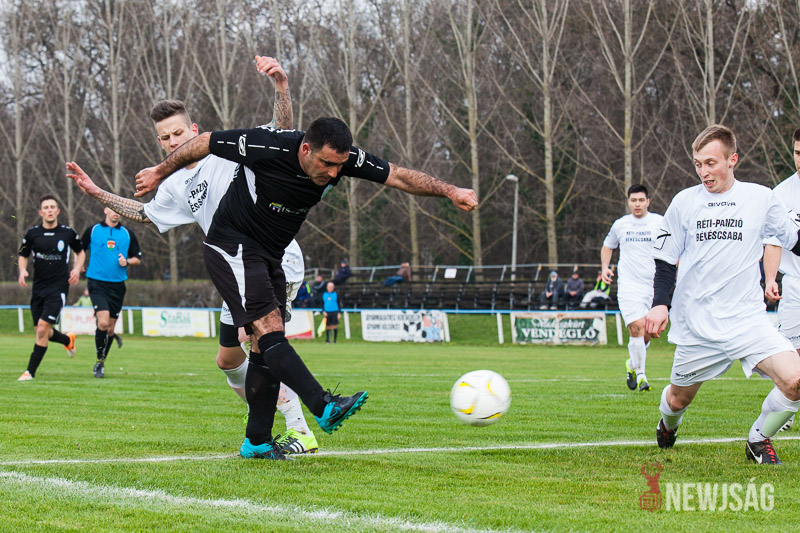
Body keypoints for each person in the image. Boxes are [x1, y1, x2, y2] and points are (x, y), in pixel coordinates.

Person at [133, 115, 478, 460]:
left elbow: (397, 175)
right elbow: (206, 140)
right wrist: (159, 172)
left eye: (339, 165)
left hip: (271, 255)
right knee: (268, 330)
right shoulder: (266, 146)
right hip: (232, 245)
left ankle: (256, 441)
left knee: (262, 347)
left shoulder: (341, 161)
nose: (333, 173)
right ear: (306, 149)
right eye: (326, 163)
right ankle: (322, 404)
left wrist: (451, 191)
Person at [67, 56, 318, 455]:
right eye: (164, 138)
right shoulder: (173, 184)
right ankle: (263, 416)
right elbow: (145, 214)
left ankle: (298, 430)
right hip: (234, 268)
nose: (172, 142)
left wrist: (281, 88)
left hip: (274, 259)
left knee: (258, 341)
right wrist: (97, 192)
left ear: (195, 130)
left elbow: (282, 131)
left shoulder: (226, 150)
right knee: (228, 360)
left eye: (178, 133)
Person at [645, 125, 800, 465]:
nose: (703, 172)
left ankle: (758, 439)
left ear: (733, 160)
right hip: (697, 326)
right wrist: (659, 304)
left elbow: (794, 240)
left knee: (795, 380)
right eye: (698, 164)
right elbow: (666, 260)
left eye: (711, 163)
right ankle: (668, 424)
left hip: (747, 321)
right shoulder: (684, 202)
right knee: (678, 400)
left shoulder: (761, 198)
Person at [601, 184, 664, 392]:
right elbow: (608, 246)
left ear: (648, 202)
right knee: (637, 327)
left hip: (652, 286)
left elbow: (671, 248)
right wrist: (605, 268)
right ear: (628, 202)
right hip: (628, 286)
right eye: (633, 200)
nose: (637, 204)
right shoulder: (621, 225)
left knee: (648, 333)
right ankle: (642, 376)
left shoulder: (659, 222)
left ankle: (632, 363)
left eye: (641, 200)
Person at [17, 194, 85, 381]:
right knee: (42, 331)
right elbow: (23, 255)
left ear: (58, 211)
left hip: (58, 288)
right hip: (38, 288)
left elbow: (80, 253)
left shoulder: (68, 233)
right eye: (46, 207)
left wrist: (76, 269)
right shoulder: (32, 234)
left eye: (52, 207)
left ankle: (29, 372)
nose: (49, 210)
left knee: (42, 329)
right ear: (41, 212)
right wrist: (22, 271)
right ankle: (67, 340)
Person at [763, 126, 800, 433]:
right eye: (798, 153)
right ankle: (786, 404)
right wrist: (770, 278)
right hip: (796, 285)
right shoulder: (780, 194)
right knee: (792, 359)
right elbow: (773, 242)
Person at [82, 208, 141, 378]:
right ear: (105, 210)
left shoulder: (127, 234)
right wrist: (78, 266)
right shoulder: (93, 230)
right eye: (112, 209)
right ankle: (99, 361)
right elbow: (79, 249)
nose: (116, 212)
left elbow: (137, 258)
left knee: (110, 329)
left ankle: (101, 361)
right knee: (103, 323)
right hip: (96, 283)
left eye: (118, 209)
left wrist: (127, 261)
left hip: (117, 286)